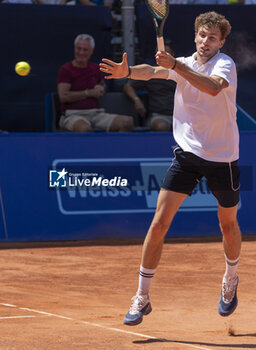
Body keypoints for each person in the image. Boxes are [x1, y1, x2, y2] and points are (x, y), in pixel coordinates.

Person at [100, 11, 241, 325]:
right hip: (188, 155)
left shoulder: (224, 64)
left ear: (222, 42)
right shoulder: (183, 63)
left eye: (213, 38)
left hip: (223, 158)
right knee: (159, 223)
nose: (206, 42)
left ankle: (231, 277)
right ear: (195, 36)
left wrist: (176, 65)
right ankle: (142, 296)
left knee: (227, 226)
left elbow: (213, 87)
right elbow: (151, 70)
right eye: (202, 35)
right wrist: (128, 72)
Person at [57, 34, 133, 132]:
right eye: (78, 49)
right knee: (84, 129)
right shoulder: (66, 69)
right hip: (72, 115)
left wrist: (101, 89)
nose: (81, 52)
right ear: (74, 49)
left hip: (96, 114)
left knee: (127, 122)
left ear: (91, 51)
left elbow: (102, 85)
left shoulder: (95, 69)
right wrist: (89, 93)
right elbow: (63, 96)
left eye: (85, 50)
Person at [123, 40, 176, 131]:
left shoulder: (180, 73)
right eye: (159, 54)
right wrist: (136, 100)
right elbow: (128, 86)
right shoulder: (150, 72)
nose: (162, 56)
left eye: (166, 54)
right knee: (162, 126)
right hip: (158, 116)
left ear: (173, 55)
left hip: (181, 116)